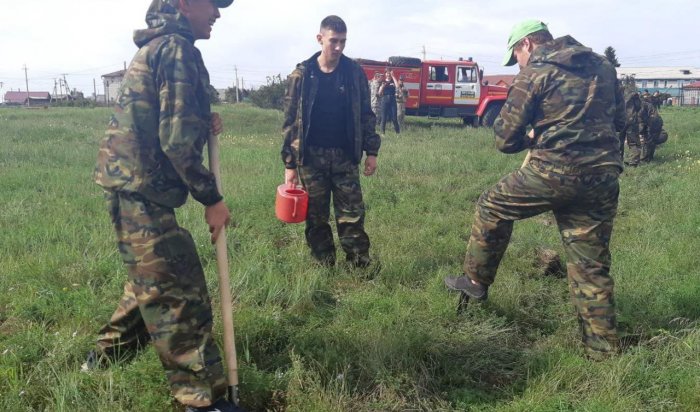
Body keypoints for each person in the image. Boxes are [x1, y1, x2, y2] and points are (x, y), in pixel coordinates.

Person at [444, 20, 626, 360]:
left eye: (517, 55)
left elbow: (504, 138)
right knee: (590, 267)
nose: (519, 63)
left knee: (491, 206)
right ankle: (603, 352)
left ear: (527, 44)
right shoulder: (603, 66)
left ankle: (475, 281)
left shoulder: (536, 72)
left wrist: (532, 139)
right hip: (602, 177)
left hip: (553, 172)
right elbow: (620, 122)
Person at [90, 1, 239, 411]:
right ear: (186, 2)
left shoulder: (162, 45)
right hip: (139, 186)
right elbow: (175, 142)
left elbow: (170, 117)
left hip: (133, 184)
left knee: (150, 278)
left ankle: (105, 355)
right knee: (178, 291)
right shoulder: (176, 48)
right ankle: (198, 399)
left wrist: (200, 116)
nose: (218, 14)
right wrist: (212, 199)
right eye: (213, 4)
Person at [281, 15, 381, 268]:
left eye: (343, 42)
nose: (338, 47)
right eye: (333, 41)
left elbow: (365, 114)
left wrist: (372, 151)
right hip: (311, 158)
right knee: (316, 216)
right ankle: (323, 264)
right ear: (320, 39)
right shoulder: (301, 74)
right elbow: (290, 122)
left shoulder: (353, 73)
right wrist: (290, 165)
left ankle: (359, 264)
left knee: (352, 214)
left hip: (345, 155)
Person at [623, 91, 643, 166]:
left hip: (621, 120)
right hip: (632, 120)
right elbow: (639, 107)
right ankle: (634, 161)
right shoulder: (634, 96)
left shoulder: (620, 94)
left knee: (620, 141)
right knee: (633, 142)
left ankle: (619, 160)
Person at [378, 70, 401, 134]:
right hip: (384, 99)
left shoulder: (393, 81)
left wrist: (393, 76)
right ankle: (382, 133)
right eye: (387, 73)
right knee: (384, 118)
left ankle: (398, 133)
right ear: (385, 74)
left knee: (394, 118)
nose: (388, 75)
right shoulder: (383, 81)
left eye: (389, 73)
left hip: (392, 99)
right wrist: (382, 86)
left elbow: (398, 87)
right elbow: (379, 93)